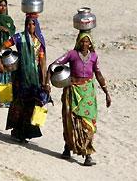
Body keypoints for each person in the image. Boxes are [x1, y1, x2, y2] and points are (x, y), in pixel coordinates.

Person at [48, 30, 112, 166]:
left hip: (88, 93)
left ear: (90, 43)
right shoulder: (71, 54)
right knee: (70, 120)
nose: (84, 43)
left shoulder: (94, 56)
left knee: (87, 124)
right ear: (78, 42)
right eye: (82, 41)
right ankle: (67, 147)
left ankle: (88, 154)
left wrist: (106, 92)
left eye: (87, 41)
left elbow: (98, 74)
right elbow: (53, 65)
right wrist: (51, 81)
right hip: (72, 91)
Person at [1, 14, 50, 142]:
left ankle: (27, 132)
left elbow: (43, 62)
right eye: (28, 23)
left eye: (33, 24)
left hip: (35, 78)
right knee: (20, 103)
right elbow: (4, 46)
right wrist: (8, 58)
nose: (30, 26)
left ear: (36, 25)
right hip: (21, 77)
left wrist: (45, 81)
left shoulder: (39, 41)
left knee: (32, 104)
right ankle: (18, 131)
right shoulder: (19, 37)